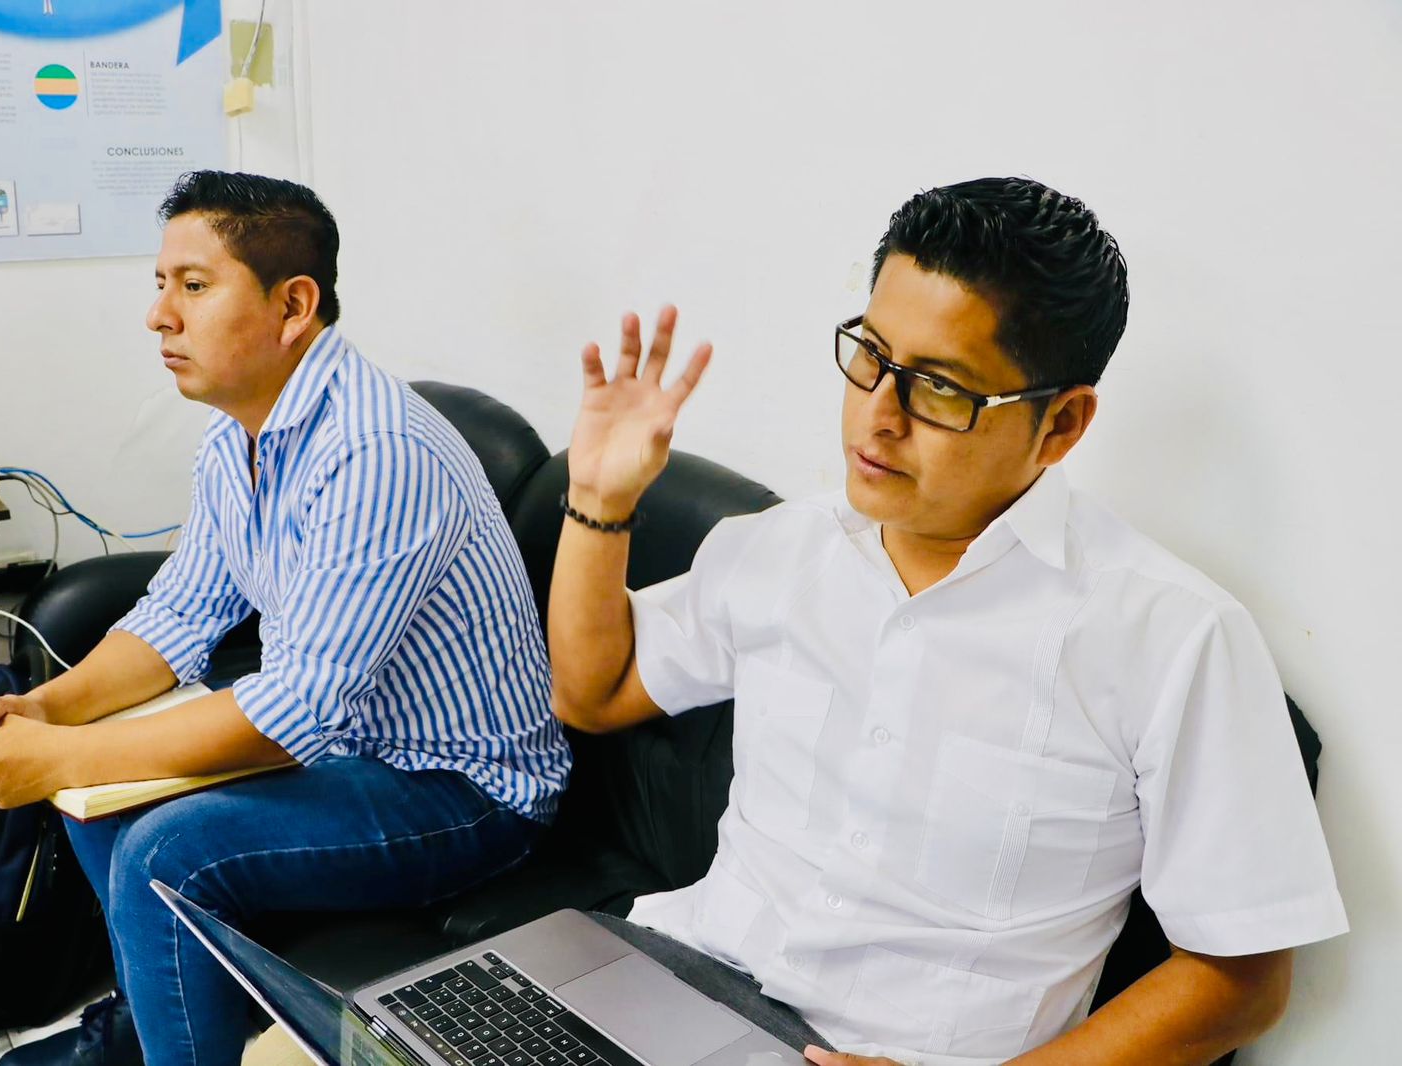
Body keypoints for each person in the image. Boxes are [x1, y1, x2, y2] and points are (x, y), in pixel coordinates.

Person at [547, 177, 1346, 1066]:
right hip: (667, 984)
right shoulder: (785, 547)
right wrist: (599, 498)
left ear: (1061, 424)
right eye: (871, 355)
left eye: (938, 387)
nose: (878, 417)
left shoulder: (1172, 636)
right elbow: (594, 692)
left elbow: (1242, 981)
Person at [0, 171, 571, 1066]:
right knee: (95, 798)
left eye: (194, 286)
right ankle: (141, 1029)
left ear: (293, 306)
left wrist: (57, 755)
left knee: (165, 847)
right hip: (349, 750)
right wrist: (42, 714)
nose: (159, 316)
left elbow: (296, 711)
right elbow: (181, 612)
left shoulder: (377, 452)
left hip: (464, 789)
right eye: (160, 284)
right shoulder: (238, 431)